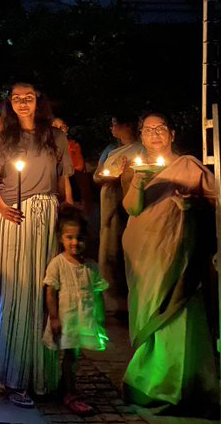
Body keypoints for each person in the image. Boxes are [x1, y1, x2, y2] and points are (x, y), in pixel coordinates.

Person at [120, 113, 218, 412]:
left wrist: (192, 205)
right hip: (144, 255)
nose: (154, 135)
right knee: (150, 315)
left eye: (160, 129)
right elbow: (132, 208)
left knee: (179, 315)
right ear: (141, 136)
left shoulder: (188, 165)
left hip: (178, 255)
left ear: (172, 134)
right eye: (148, 130)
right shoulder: (135, 167)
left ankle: (179, 385)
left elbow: (216, 199)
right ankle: (147, 381)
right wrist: (137, 181)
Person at [0, 82, 73, 408]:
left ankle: (41, 376)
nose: (22, 102)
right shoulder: (1, 140)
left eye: (29, 97)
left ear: (39, 102)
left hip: (46, 220)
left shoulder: (56, 138)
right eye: (16, 98)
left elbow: (65, 185)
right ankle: (13, 376)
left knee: (42, 295)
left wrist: (70, 224)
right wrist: (2, 207)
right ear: (10, 103)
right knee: (13, 295)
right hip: (11, 220)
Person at [43, 204, 108, 417]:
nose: (74, 242)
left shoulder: (91, 266)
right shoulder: (58, 264)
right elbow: (50, 291)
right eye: (69, 237)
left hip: (84, 319)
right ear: (61, 238)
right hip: (67, 320)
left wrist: (101, 316)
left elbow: (98, 293)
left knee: (74, 357)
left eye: (79, 238)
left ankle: (66, 387)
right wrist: (54, 318)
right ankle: (70, 392)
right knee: (70, 357)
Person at [93, 114, 143, 315]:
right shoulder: (110, 150)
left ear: (127, 125)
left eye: (115, 123)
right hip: (111, 197)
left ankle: (133, 297)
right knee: (110, 247)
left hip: (133, 199)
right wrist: (107, 177)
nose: (112, 127)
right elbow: (97, 176)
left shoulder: (141, 150)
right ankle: (111, 300)